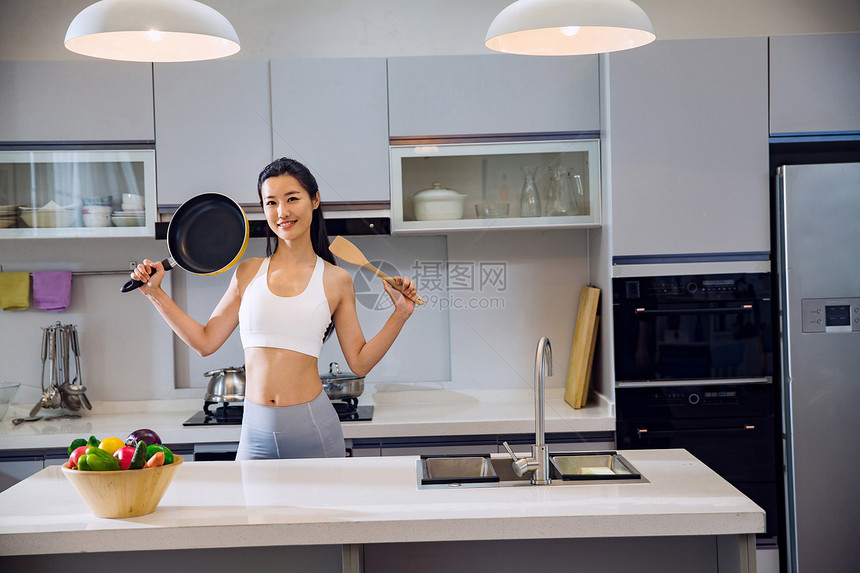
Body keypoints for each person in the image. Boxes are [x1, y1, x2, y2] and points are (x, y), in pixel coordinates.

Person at [130, 157, 417, 460]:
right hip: (255, 432)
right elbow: (205, 342)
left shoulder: (337, 279)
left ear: (315, 200)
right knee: (252, 509)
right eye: (271, 202)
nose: (282, 212)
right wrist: (155, 294)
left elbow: (358, 363)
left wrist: (400, 314)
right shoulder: (247, 272)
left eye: (292, 198)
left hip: (313, 429)